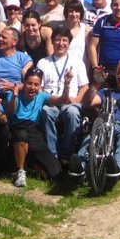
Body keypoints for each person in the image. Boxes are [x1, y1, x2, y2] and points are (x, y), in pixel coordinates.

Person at [3, 67, 63, 187]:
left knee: (55, 173)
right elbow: (11, 111)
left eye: (36, 84)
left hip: (33, 130)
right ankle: (20, 171)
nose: (32, 87)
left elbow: (61, 100)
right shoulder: (13, 94)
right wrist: (15, 96)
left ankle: (31, 165)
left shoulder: (41, 96)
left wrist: (66, 86)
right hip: (17, 128)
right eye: (29, 83)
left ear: (40, 86)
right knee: (21, 135)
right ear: (24, 84)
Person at [37, 26, 89, 160]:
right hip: (51, 100)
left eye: (64, 40)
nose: (61, 43)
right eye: (57, 40)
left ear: (69, 43)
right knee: (46, 112)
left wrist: (77, 99)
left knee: (72, 113)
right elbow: (40, 88)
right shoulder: (43, 62)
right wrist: (47, 99)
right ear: (52, 42)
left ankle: (66, 152)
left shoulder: (77, 62)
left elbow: (84, 86)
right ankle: (52, 154)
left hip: (70, 101)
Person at [63, 0, 91, 64]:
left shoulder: (86, 30)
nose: (74, 14)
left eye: (77, 11)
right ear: (66, 13)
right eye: (71, 11)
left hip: (81, 69)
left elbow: (89, 53)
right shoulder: (61, 29)